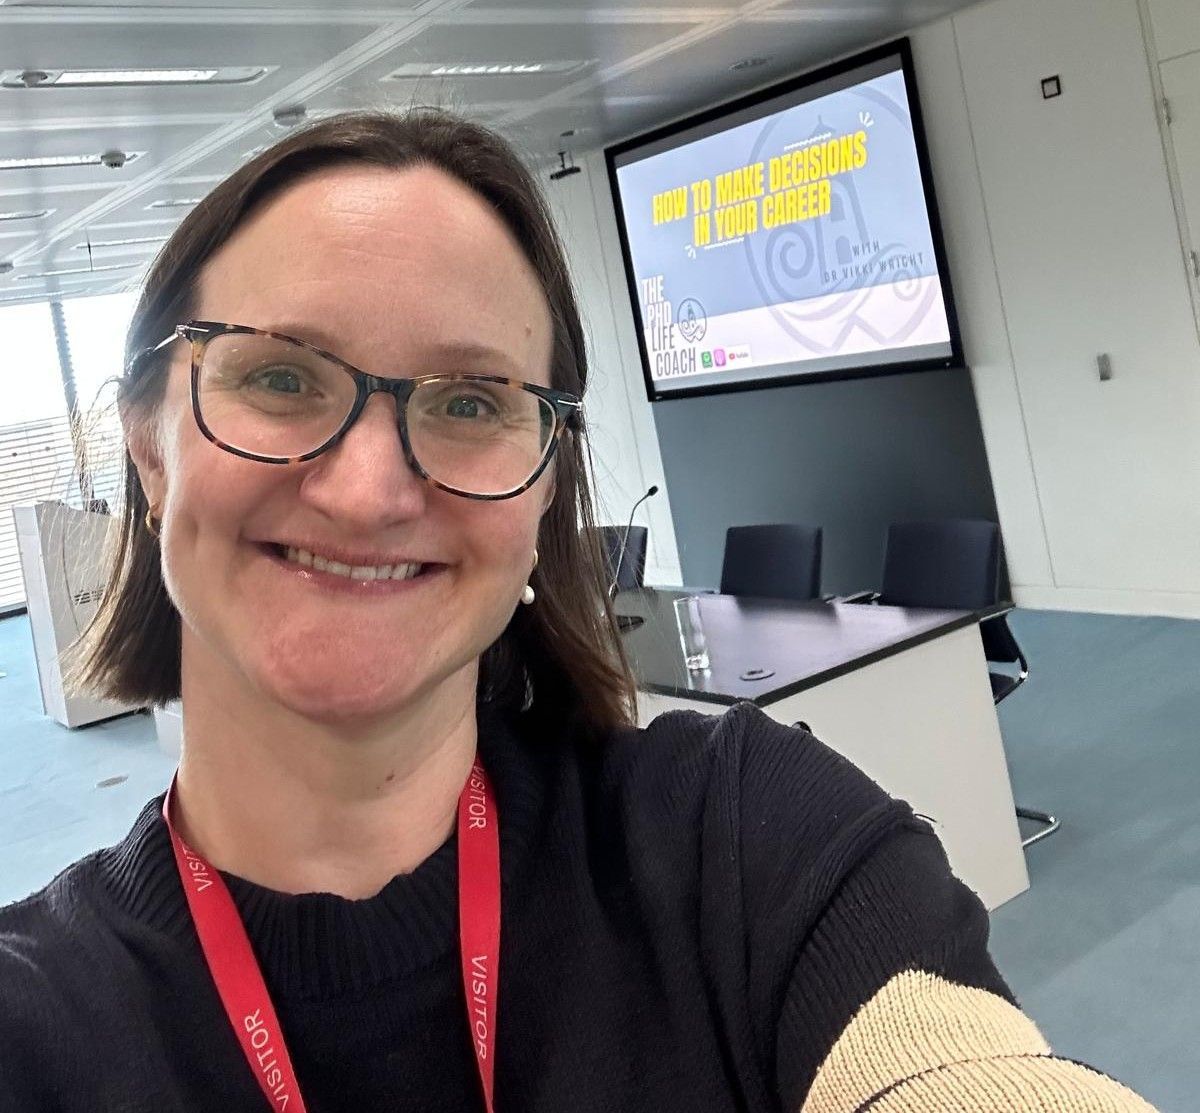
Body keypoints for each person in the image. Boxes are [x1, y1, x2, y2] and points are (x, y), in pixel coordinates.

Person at [0, 109, 1155, 1112]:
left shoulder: (750, 844)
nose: (366, 489)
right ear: (149, 447)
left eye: (468, 399)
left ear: (547, 482)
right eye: (282, 378)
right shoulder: (34, 1023)